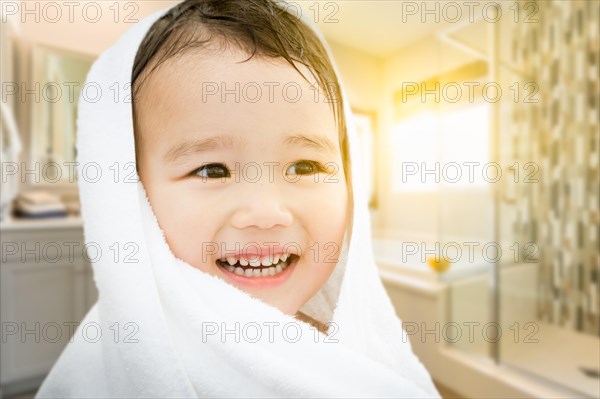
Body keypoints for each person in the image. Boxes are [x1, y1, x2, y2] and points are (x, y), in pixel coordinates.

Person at [37, 1, 441, 397]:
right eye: (213, 170)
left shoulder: (359, 348)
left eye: (304, 167)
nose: (266, 213)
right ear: (132, 195)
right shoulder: (104, 369)